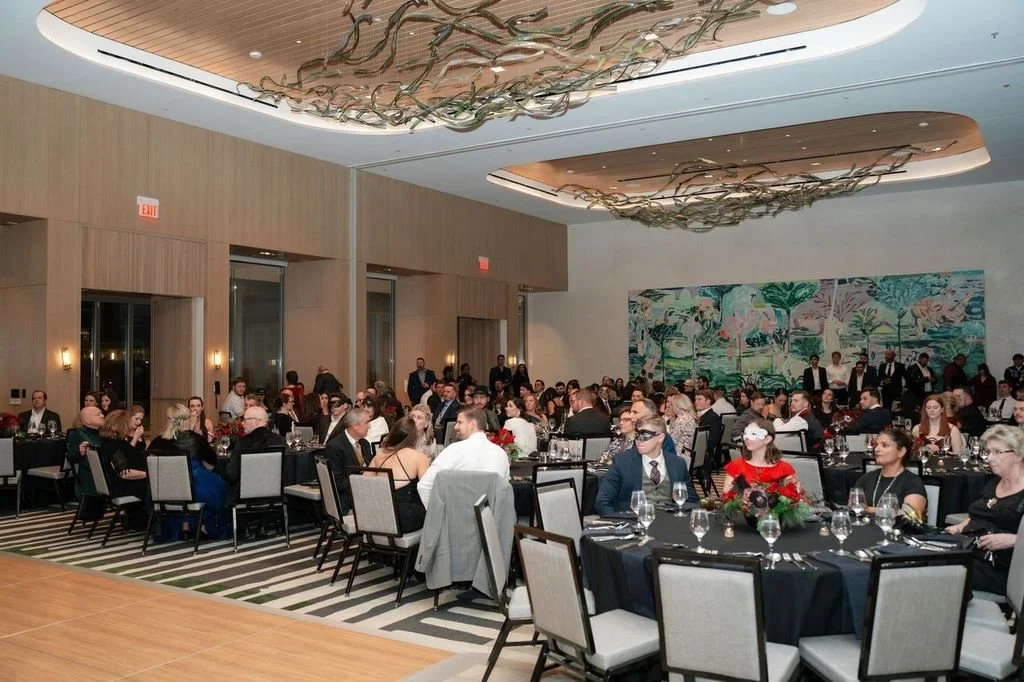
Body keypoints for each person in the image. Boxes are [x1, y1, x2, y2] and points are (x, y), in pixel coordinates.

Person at [948, 425, 1024, 595]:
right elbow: (977, 513)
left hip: (1005, 569)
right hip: (972, 552)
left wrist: (1015, 540)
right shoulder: (993, 483)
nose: (989, 457)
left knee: (939, 568)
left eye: (997, 452)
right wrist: (960, 527)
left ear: (1018, 454)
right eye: (988, 451)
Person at [148, 404, 229, 539]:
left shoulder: (157, 441)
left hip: (163, 492)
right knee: (222, 489)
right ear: (187, 419)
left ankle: (185, 527)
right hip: (191, 490)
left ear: (168, 419)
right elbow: (211, 465)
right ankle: (200, 525)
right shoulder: (195, 439)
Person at [594, 415, 697, 515]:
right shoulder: (622, 462)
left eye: (645, 436)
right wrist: (620, 524)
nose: (639, 440)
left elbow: (692, 500)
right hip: (634, 524)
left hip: (670, 525)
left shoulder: (678, 463)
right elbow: (602, 501)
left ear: (660, 437)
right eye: (637, 435)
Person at [418, 408, 511, 509]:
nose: (455, 427)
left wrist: (437, 515)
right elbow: (503, 494)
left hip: (457, 520)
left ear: (472, 424)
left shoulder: (454, 450)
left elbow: (424, 485)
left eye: (459, 422)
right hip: (491, 521)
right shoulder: (501, 454)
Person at [365, 417, 431, 533]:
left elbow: (362, 484)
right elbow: (427, 491)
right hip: (404, 519)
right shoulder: (419, 458)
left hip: (379, 516)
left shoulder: (379, 456)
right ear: (414, 437)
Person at [854, 428, 927, 519]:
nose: (876, 449)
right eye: (876, 445)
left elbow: (912, 516)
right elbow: (853, 507)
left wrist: (873, 510)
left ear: (901, 452)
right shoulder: (866, 478)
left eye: (884, 445)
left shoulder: (912, 482)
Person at [223, 407, 286, 505]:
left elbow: (231, 474)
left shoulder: (242, 443)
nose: (242, 424)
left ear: (256, 421)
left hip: (245, 498)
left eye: (245, 420)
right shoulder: (280, 441)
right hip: (275, 497)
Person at [723, 420, 797, 491]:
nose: (747, 438)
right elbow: (727, 498)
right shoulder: (736, 466)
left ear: (767, 439)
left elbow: (793, 497)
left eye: (753, 434)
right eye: (745, 434)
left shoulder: (784, 469)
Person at [322, 408, 373, 509]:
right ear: (355, 426)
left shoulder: (365, 444)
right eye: (367, 422)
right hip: (347, 499)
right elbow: (337, 482)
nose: (370, 426)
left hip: (366, 493)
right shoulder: (335, 447)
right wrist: (363, 479)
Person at [97, 410, 148, 500]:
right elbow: (124, 473)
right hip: (120, 487)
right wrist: (149, 474)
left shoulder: (109, 441)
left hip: (116, 484)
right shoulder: (114, 444)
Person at [67, 406, 104, 498]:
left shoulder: (104, 433)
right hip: (91, 479)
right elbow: (71, 456)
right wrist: (79, 451)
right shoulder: (78, 434)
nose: (103, 416)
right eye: (98, 414)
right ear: (87, 420)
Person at [664, 393, 698, 460]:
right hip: (687, 452)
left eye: (672, 404)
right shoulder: (688, 416)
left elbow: (672, 441)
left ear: (678, 405)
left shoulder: (682, 420)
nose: (670, 406)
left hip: (680, 455)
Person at [694, 390, 724, 457]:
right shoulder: (696, 415)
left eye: (699, 399)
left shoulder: (713, 418)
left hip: (702, 455)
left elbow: (712, 442)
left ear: (708, 401)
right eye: (695, 399)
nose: (696, 402)